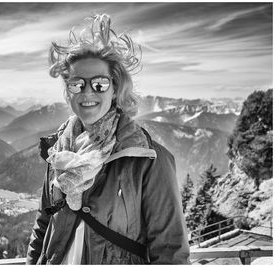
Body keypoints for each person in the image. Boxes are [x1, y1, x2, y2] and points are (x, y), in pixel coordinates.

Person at [26, 13, 190, 264]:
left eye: (99, 84)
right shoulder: (58, 153)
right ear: (68, 91)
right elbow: (44, 224)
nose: (87, 92)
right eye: (76, 84)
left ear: (115, 89)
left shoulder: (148, 160)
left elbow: (170, 252)